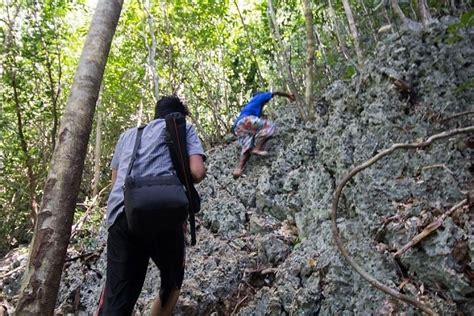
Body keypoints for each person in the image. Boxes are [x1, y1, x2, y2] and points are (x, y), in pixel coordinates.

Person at [100, 96, 206, 315]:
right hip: (165, 215)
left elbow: (115, 184)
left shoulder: (127, 136)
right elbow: (197, 172)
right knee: (172, 282)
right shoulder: (183, 128)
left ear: (155, 114)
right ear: (180, 116)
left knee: (118, 297)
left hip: (123, 215)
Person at [232, 90, 295, 178]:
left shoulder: (250, 105)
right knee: (271, 127)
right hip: (246, 120)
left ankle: (238, 169)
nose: (266, 103)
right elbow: (275, 92)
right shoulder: (259, 97)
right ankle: (257, 148)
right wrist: (288, 95)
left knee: (247, 147)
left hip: (237, 127)